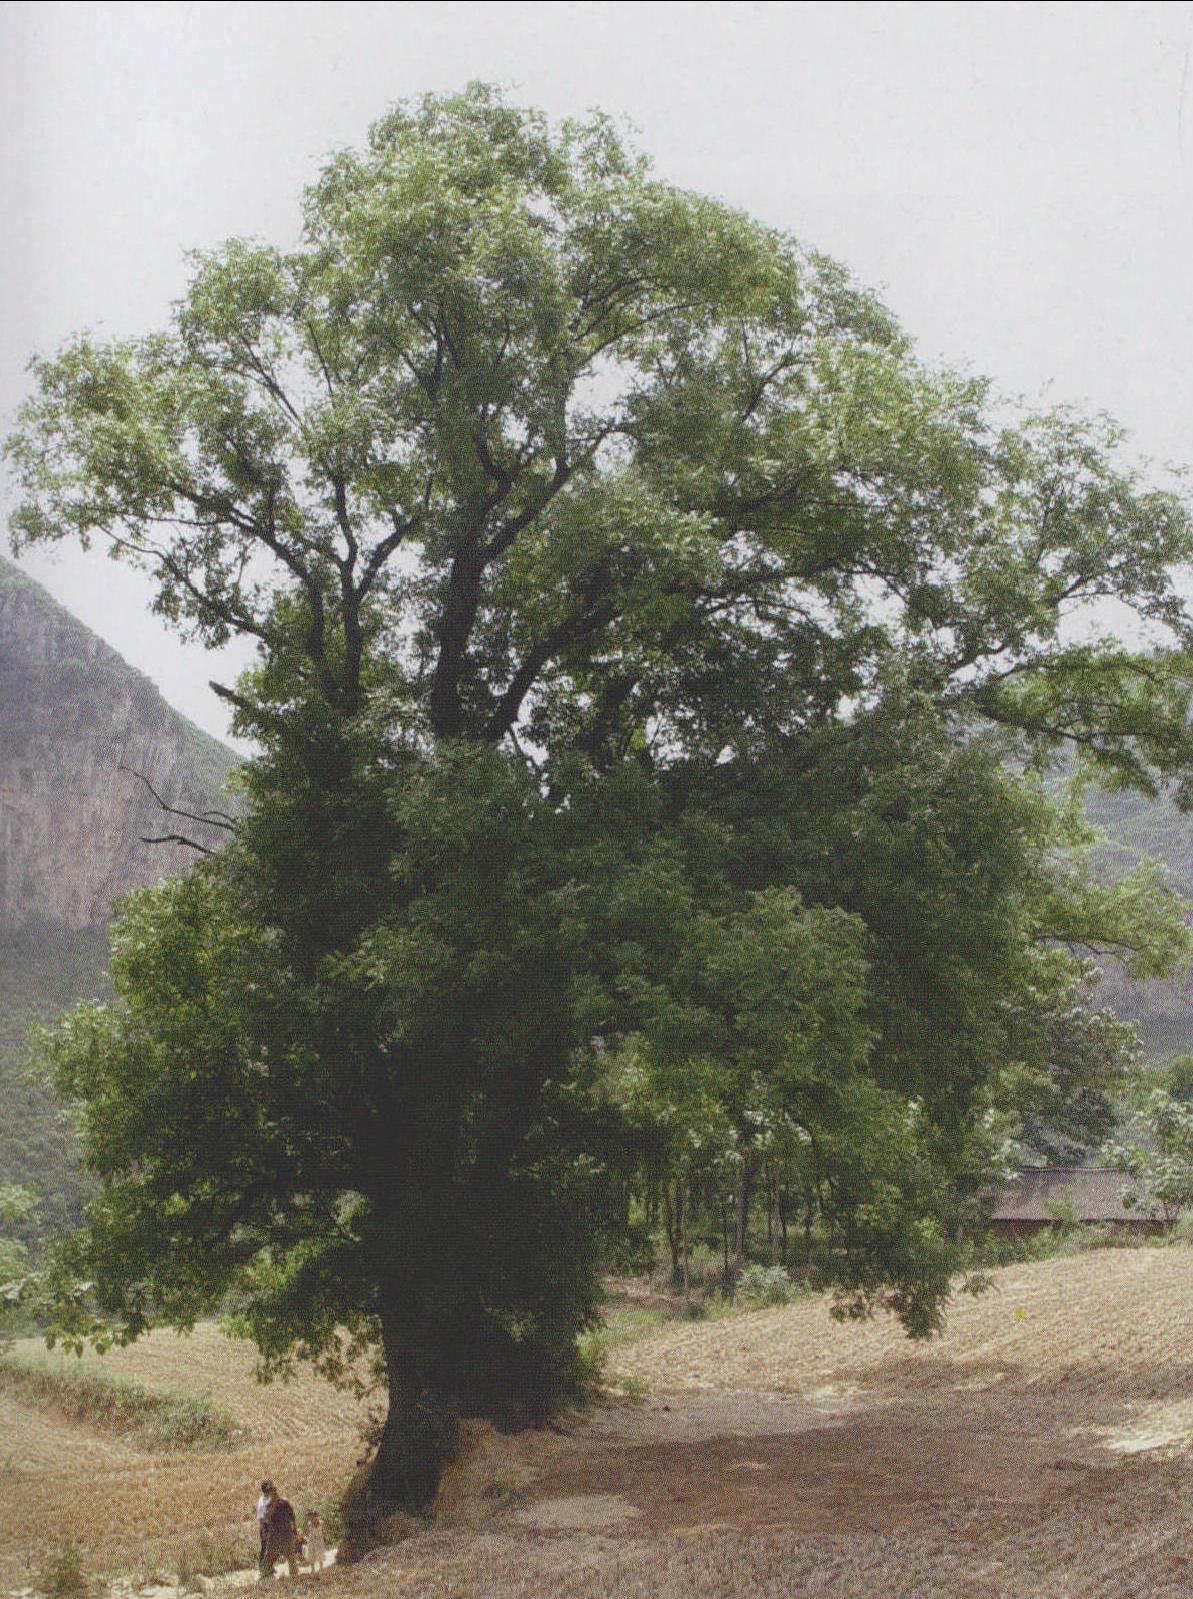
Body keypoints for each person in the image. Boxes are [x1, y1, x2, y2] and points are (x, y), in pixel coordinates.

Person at [259, 1482, 301, 1580]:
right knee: (269, 1555)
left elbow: (292, 1517)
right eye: (270, 1491)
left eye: (273, 1490)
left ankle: (294, 1575)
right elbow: (267, 1517)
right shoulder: (268, 1505)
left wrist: (295, 1530)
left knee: (290, 1555)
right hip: (274, 1535)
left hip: (286, 1533)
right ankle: (265, 1574)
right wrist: (274, 1503)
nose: (273, 1493)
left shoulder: (285, 1502)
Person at [304, 1508, 327, 1572]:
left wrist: (321, 1536)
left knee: (320, 1553)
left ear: (316, 1516)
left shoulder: (321, 1523)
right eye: (311, 1516)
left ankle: (321, 1567)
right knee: (311, 1553)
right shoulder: (309, 1524)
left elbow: (324, 1531)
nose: (312, 1517)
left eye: (313, 1515)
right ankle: (313, 1569)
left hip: (319, 1539)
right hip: (312, 1539)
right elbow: (307, 1532)